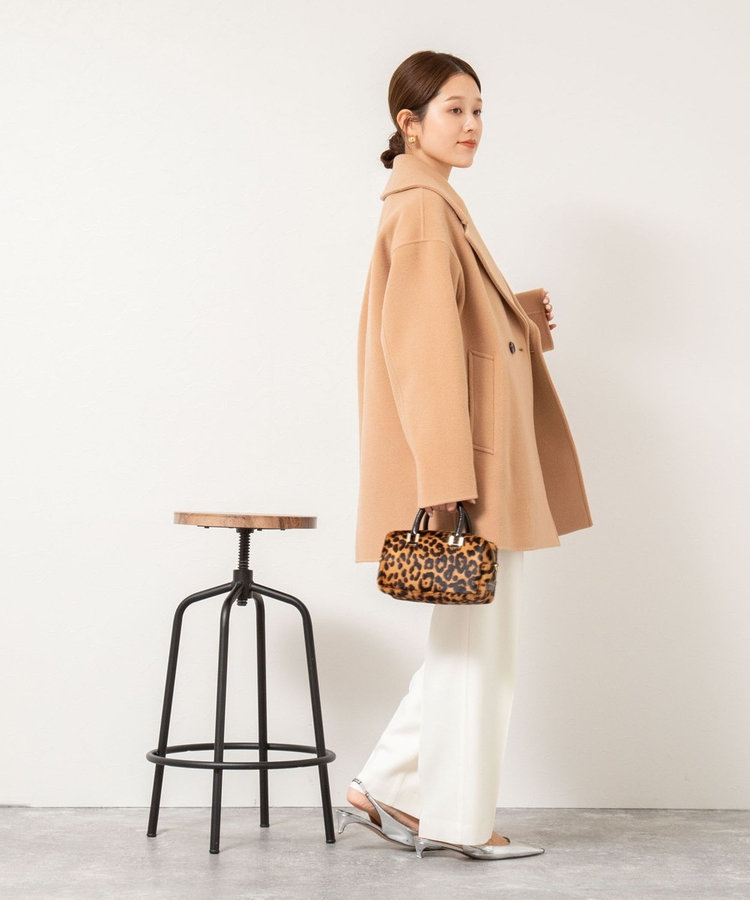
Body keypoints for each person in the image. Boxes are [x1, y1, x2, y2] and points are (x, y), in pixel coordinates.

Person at [338, 50, 593, 861]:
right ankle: (455, 816)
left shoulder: (434, 202)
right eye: (454, 109)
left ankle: (389, 784)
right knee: (482, 650)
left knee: (472, 643)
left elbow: (450, 320)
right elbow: (420, 356)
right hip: (470, 468)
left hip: (478, 458)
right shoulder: (423, 210)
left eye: (478, 109)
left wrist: (514, 312)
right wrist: (446, 480)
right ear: (409, 124)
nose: (473, 124)